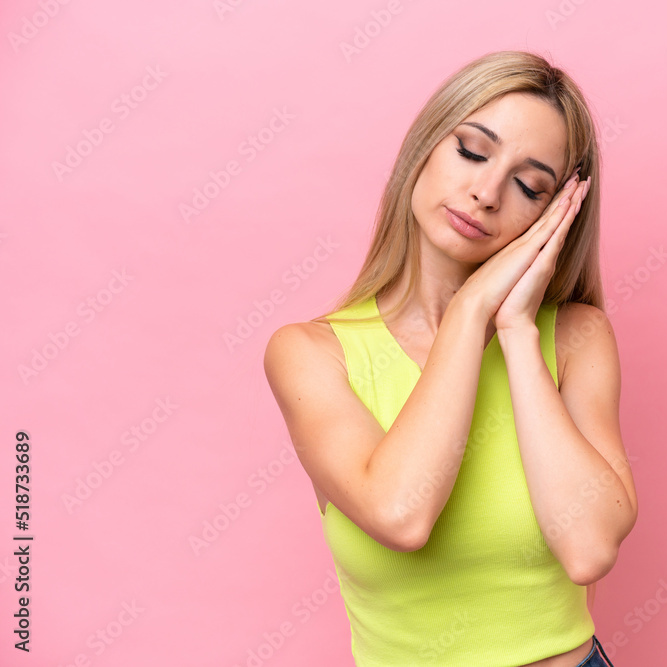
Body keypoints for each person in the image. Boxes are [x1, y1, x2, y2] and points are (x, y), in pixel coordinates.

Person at [263, 50, 637, 667]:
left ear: (553, 215)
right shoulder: (310, 353)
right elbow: (403, 516)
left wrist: (515, 330)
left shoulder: (574, 339)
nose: (486, 193)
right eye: (471, 150)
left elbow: (589, 549)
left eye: (528, 185)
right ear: (426, 147)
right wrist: (469, 312)